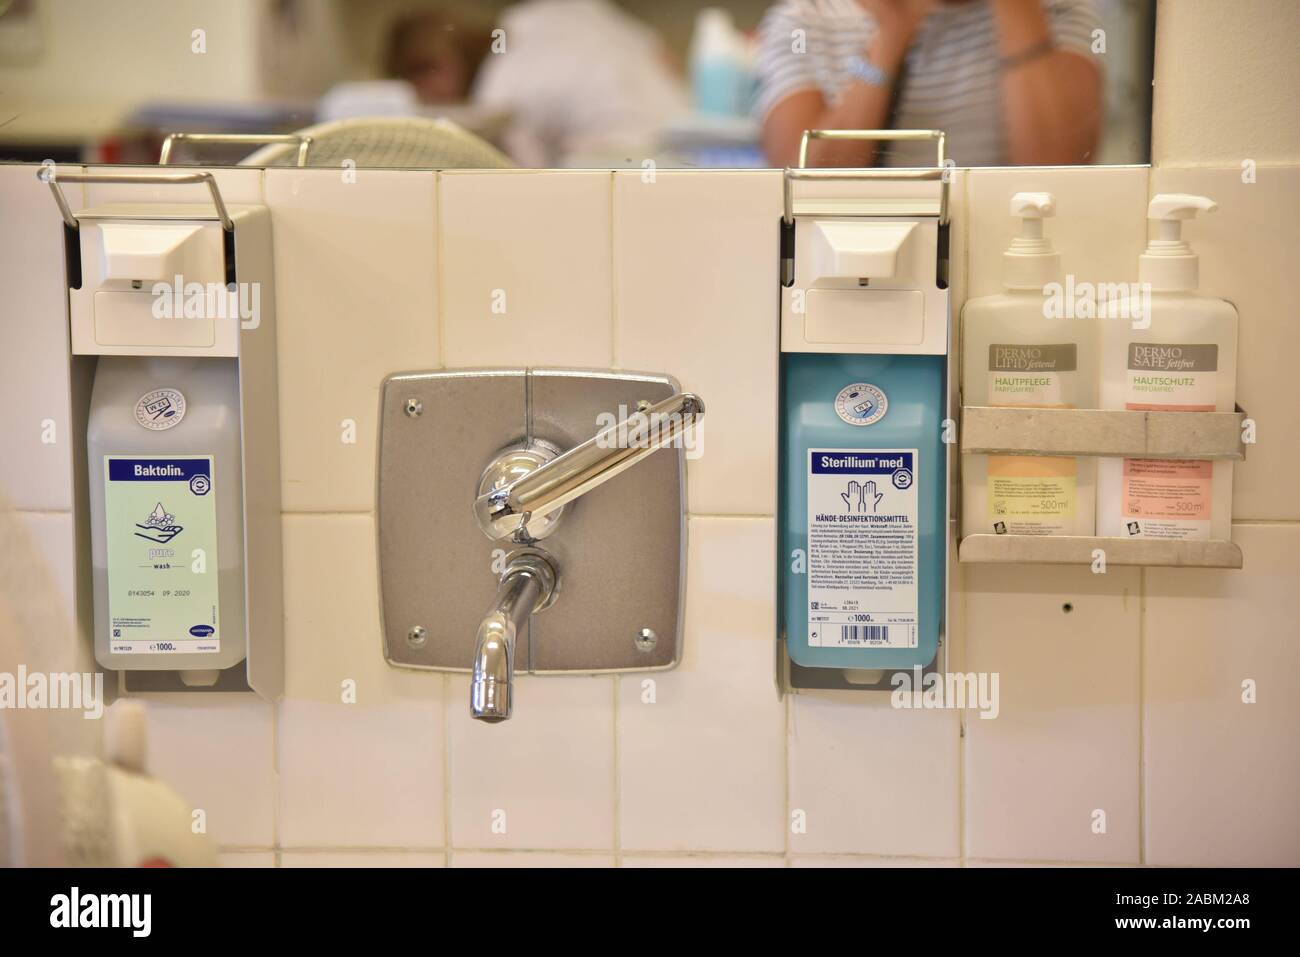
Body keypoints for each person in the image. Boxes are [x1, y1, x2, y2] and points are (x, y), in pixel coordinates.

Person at [755, 0, 1104, 168]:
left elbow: (1058, 172)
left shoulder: (1057, 14)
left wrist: (1016, 10)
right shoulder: (806, 22)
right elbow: (799, 194)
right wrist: (891, 34)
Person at [386, 1, 687, 167]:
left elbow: (530, 183)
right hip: (689, 137)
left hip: (632, 162)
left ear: (436, 69)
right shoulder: (531, 16)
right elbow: (666, 57)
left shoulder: (498, 95)